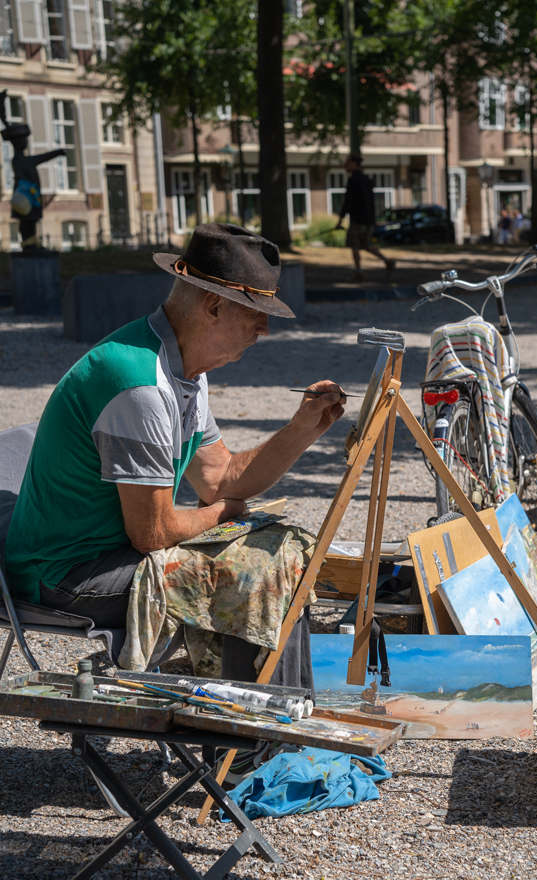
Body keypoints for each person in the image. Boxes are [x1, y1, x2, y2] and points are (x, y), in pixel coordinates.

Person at [5, 223, 346, 688]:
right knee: (254, 577)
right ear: (213, 307)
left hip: (104, 553)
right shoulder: (141, 385)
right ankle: (253, 735)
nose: (264, 329)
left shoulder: (184, 369)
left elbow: (220, 476)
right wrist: (227, 515)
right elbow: (154, 532)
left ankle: (267, 717)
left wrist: (299, 431)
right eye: (256, 314)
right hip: (65, 575)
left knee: (277, 554)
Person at [0, 89, 65, 251]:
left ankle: (32, 242)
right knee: (26, 219)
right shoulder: (18, 160)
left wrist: (58, 151)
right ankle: (27, 242)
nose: (25, 143)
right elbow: (23, 174)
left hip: (32, 194)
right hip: (25, 194)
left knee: (32, 219)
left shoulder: (27, 159)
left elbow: (43, 157)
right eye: (22, 140)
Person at [336, 154, 395, 282]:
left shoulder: (353, 180)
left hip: (357, 220)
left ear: (353, 163)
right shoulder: (368, 180)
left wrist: (340, 220)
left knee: (354, 246)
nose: (345, 166)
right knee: (366, 244)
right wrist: (372, 220)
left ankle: (358, 272)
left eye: (346, 163)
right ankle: (387, 260)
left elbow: (348, 201)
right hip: (369, 220)